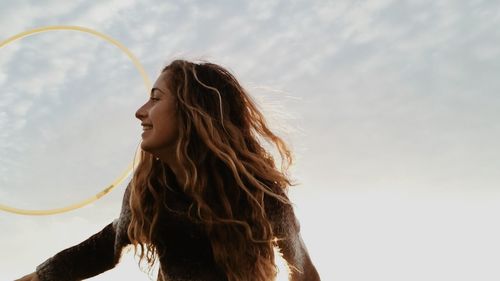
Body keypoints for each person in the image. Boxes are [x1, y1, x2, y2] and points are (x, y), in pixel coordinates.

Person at [16, 60, 321, 281]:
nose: (140, 112)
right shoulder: (151, 188)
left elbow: (305, 274)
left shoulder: (258, 192)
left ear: (193, 111)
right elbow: (103, 249)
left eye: (156, 98)